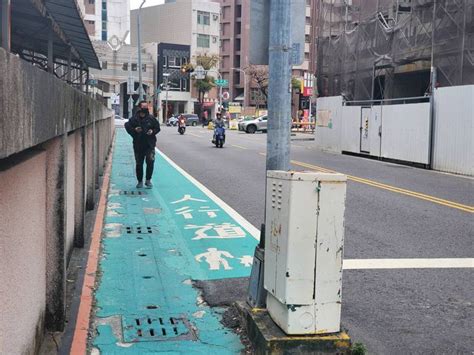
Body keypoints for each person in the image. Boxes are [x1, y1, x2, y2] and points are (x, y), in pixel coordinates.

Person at [125, 101, 160, 188]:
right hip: (138, 145)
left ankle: (148, 180)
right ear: (139, 108)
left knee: (150, 162)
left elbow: (157, 128)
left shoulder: (151, 118)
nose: (145, 108)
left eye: (146, 106)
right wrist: (134, 130)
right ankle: (140, 181)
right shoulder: (134, 119)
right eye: (143, 106)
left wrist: (152, 131)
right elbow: (127, 126)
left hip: (149, 145)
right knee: (139, 164)